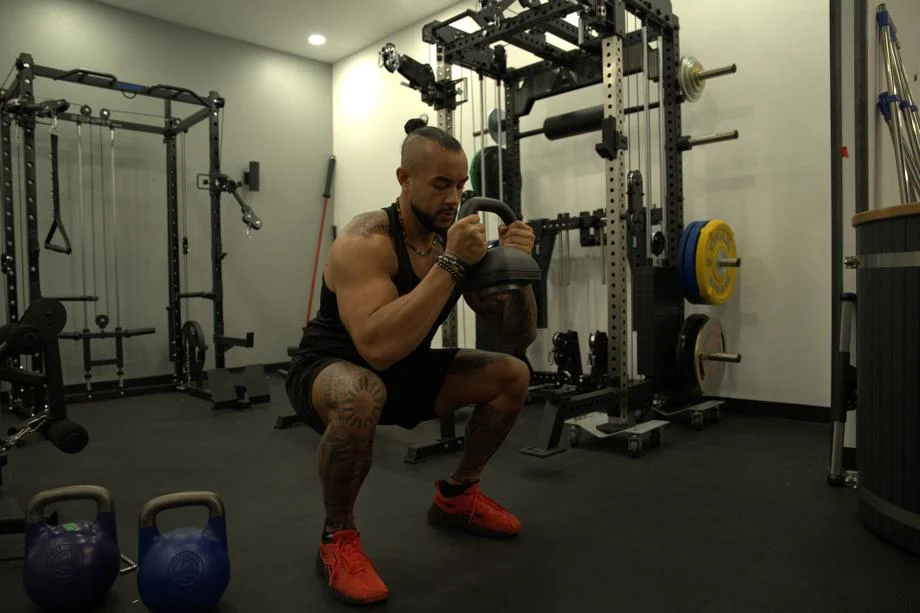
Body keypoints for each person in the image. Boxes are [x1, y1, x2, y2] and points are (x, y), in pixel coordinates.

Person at [285, 125, 538, 606]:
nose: (454, 198)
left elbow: (518, 334)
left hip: (405, 370)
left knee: (513, 374)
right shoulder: (367, 241)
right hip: (332, 369)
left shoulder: (455, 240)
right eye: (440, 184)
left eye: (461, 186)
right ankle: (337, 539)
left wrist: (519, 269)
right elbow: (377, 348)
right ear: (404, 178)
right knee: (363, 393)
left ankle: (458, 496)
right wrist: (452, 267)